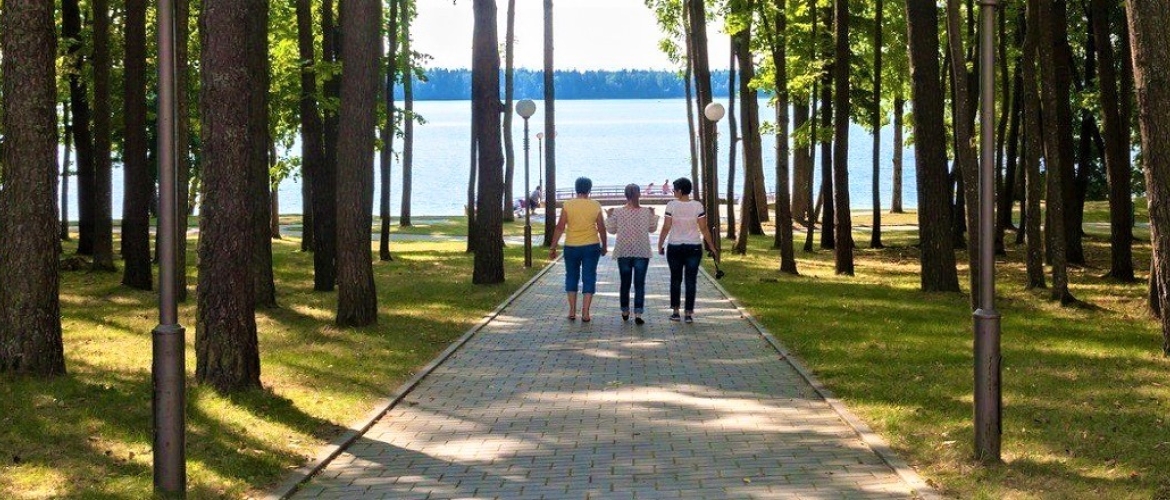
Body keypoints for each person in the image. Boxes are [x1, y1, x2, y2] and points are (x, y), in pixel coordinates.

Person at [657, 177, 718, 324]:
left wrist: (660, 244)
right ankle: (688, 314)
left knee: (675, 279)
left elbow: (666, 227)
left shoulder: (671, 205)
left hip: (675, 247)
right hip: (694, 247)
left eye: (674, 189)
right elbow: (703, 228)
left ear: (679, 190)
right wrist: (711, 246)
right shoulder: (697, 206)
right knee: (691, 280)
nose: (673, 192)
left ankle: (675, 312)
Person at [549, 177, 608, 322]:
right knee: (589, 277)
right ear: (589, 189)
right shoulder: (595, 205)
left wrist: (553, 246)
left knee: (571, 276)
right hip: (591, 246)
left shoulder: (568, 205)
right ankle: (585, 312)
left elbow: (560, 227)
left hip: (571, 246)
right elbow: (601, 227)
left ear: (576, 189)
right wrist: (604, 245)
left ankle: (571, 311)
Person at [606, 184, 659, 325]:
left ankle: (625, 310)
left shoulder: (617, 212)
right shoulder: (646, 211)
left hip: (624, 251)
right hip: (641, 251)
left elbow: (611, 230)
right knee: (639, 283)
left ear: (625, 195)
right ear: (639, 194)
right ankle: (638, 313)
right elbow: (652, 229)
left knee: (625, 283)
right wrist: (653, 215)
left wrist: (609, 216)